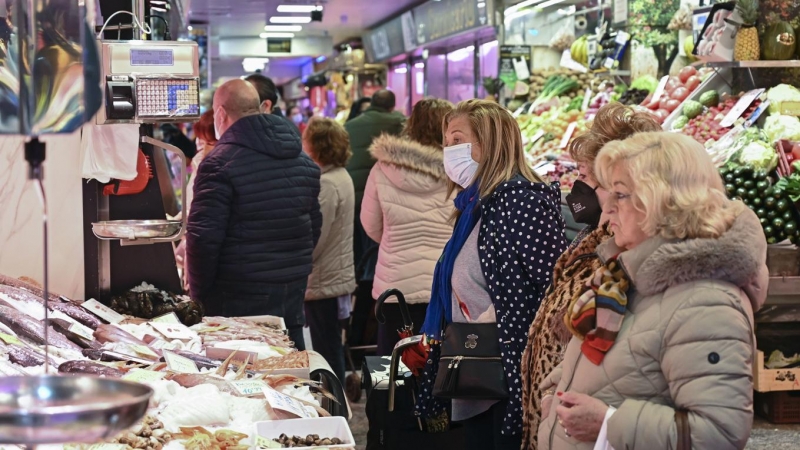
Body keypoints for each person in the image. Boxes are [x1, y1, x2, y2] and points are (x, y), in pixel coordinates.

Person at [538, 131, 767, 450]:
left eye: (620, 194)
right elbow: (598, 359)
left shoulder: (707, 302)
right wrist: (553, 396)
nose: (608, 206)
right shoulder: (626, 275)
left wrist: (608, 423)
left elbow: (719, 434)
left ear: (663, 202)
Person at [416, 100, 567, 450]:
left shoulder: (521, 202)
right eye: (446, 141)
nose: (448, 150)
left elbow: (554, 288)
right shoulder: (478, 204)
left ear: (490, 142)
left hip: (508, 371)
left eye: (457, 139)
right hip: (479, 364)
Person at [520, 103, 661, 450]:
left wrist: (603, 421)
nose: (578, 187)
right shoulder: (593, 242)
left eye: (586, 177)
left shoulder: (631, 260)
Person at [186, 79, 321, 350]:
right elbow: (313, 225)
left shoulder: (218, 163)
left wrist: (199, 297)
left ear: (221, 114)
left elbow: (203, 239)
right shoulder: (303, 160)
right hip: (291, 290)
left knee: (243, 381)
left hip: (236, 297)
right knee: (290, 374)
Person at [361, 98, 455, 355]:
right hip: (445, 282)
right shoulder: (459, 170)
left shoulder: (383, 168)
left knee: (390, 363)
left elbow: (370, 224)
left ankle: (386, 396)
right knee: (440, 365)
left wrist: (396, 240)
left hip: (395, 286)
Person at [344, 89, 405, 348]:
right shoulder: (400, 124)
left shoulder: (350, 126)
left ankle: (358, 339)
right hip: (416, 286)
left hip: (357, 203)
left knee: (364, 270)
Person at [302, 117, 357, 382]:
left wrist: (299, 262)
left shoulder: (327, 184)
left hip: (324, 278)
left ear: (316, 146)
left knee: (326, 350)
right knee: (331, 345)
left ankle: (335, 406)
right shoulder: (339, 176)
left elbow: (317, 237)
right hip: (334, 276)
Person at [176, 110, 217, 291]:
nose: (201, 144)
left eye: (207, 140)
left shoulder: (217, 167)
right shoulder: (200, 162)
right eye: (199, 138)